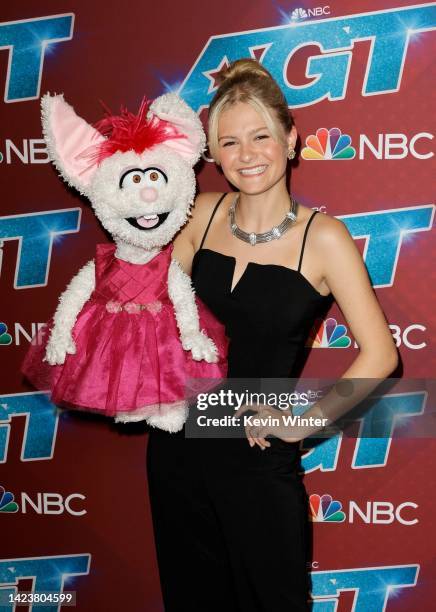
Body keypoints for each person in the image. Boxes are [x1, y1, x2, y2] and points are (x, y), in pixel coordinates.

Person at [146, 59, 398, 611]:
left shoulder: (325, 238)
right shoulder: (198, 216)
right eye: (229, 142)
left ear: (290, 139)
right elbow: (153, 314)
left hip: (257, 459)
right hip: (177, 447)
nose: (247, 154)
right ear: (213, 153)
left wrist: (301, 424)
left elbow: (381, 354)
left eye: (261, 136)